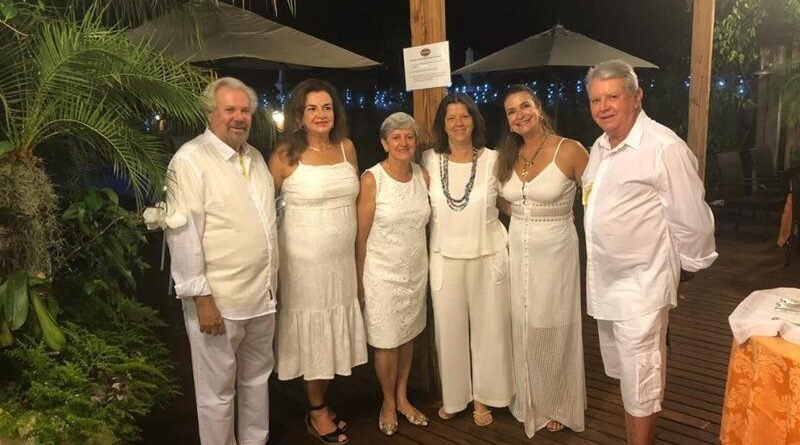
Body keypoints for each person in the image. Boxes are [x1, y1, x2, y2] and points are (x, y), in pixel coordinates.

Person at [582, 60, 718, 445]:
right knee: (629, 380)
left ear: (637, 97)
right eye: (595, 100)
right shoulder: (600, 147)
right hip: (606, 285)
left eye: (612, 97)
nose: (603, 107)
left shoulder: (663, 147)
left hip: (642, 287)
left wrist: (685, 269)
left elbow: (693, 220)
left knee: (642, 381)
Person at [165, 77, 278, 445]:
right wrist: (201, 297)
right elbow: (183, 234)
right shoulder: (190, 160)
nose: (239, 117)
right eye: (229, 109)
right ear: (210, 113)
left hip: (262, 297)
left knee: (257, 380)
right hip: (219, 302)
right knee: (216, 393)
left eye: (245, 110)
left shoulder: (255, 157)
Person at [269, 78, 367, 445]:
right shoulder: (284, 156)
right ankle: (316, 409)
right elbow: (264, 212)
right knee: (313, 333)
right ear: (299, 115)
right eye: (312, 108)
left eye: (326, 107)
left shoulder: (347, 148)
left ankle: (320, 400)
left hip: (341, 263)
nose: (321, 114)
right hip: (302, 264)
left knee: (331, 331)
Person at [496, 85, 588, 437]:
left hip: (556, 252)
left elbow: (597, 197)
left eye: (524, 106)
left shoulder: (570, 149)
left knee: (553, 321)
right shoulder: (508, 155)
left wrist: (562, 212)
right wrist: (524, 213)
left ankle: (557, 401)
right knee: (524, 320)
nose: (519, 115)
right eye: (511, 111)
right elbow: (503, 199)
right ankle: (529, 396)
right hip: (518, 249)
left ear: (538, 108)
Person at [420, 92, 514, 427]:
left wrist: (546, 215)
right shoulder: (429, 160)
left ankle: (484, 397)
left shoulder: (494, 159)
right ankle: (455, 396)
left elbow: (509, 201)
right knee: (449, 332)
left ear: (474, 120)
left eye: (465, 116)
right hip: (445, 256)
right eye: (451, 117)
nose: (459, 123)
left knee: (491, 331)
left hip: (488, 254)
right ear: (442, 125)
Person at [355, 112, 431, 436]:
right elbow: (360, 237)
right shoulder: (372, 179)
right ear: (385, 143)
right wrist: (359, 282)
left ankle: (402, 397)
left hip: (415, 272)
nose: (403, 143)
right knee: (386, 342)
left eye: (409, 137)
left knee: (407, 336)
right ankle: (387, 401)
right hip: (381, 274)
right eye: (396, 137)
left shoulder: (422, 176)